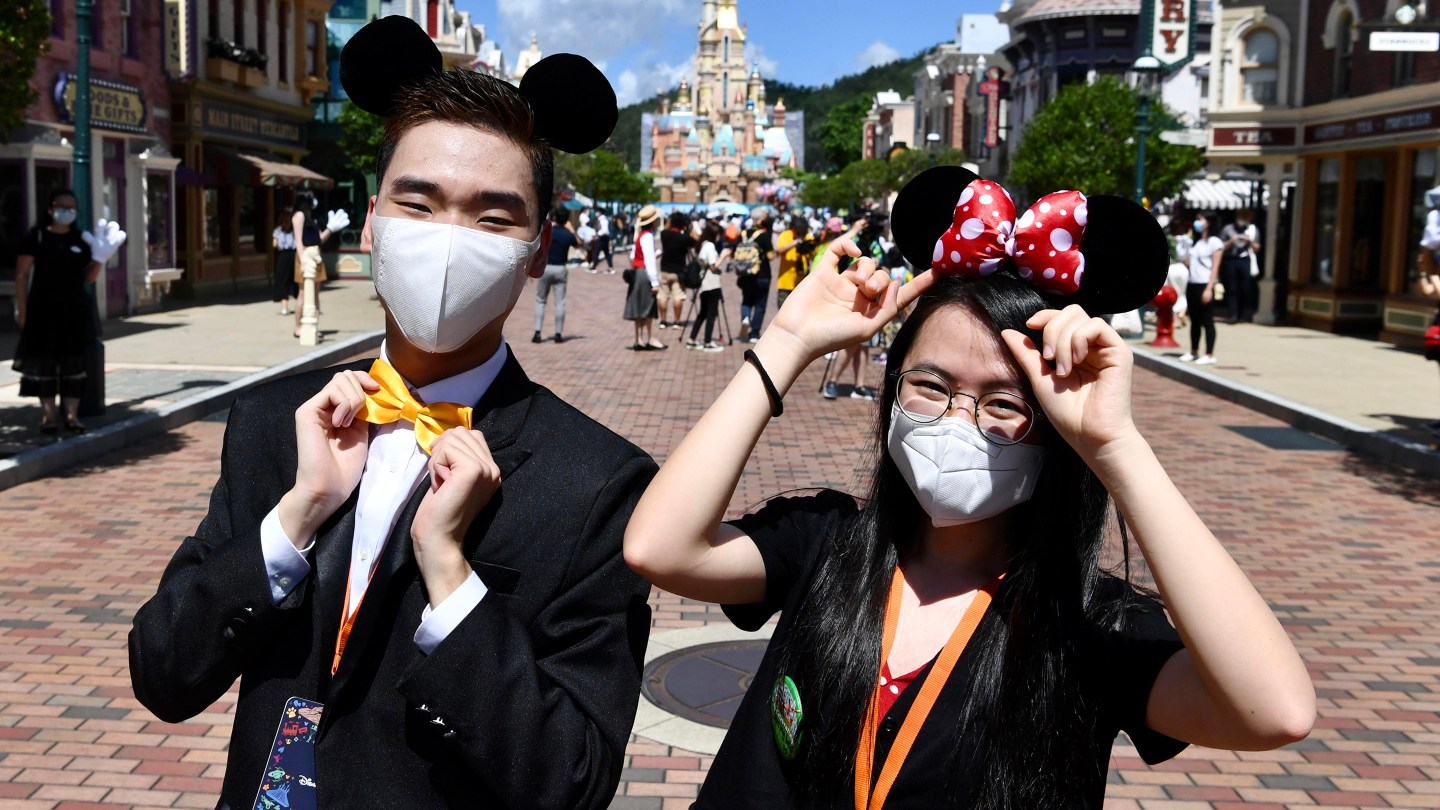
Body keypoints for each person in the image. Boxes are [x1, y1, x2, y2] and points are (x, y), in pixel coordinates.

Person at [624, 167, 1315, 809]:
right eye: (930, 386)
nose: (958, 421)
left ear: (1053, 429)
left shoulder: (1087, 623)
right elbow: (661, 548)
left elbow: (1273, 711)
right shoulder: (826, 545)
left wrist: (1116, 447)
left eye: (1003, 403)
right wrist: (788, 342)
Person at [129, 17, 655, 809]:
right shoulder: (275, 422)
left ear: (538, 249)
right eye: (419, 203)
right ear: (374, 221)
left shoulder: (596, 482)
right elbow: (163, 671)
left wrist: (450, 576)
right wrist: (295, 517)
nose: (449, 241)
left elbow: (572, 782)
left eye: (492, 217)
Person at [12, 189, 126, 435]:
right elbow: (21, 275)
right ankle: (49, 416)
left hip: (74, 311)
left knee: (73, 364)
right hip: (42, 311)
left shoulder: (80, 240)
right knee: (45, 364)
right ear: (50, 208)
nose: (66, 210)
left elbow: (89, 278)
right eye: (61, 205)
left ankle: (72, 416)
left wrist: (101, 258)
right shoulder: (37, 237)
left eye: (71, 207)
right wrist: (22, 309)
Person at [814, 216, 874, 400]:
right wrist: (854, 230)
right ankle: (832, 381)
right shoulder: (826, 247)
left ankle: (859, 385)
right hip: (845, 298)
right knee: (851, 344)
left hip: (866, 297)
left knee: (864, 346)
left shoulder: (870, 243)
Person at [291, 190, 349, 339]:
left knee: (316, 294)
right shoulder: (299, 216)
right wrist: (303, 261)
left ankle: (314, 327)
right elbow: (298, 240)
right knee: (303, 293)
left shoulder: (313, 218)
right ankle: (298, 327)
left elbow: (319, 240)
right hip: (305, 255)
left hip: (316, 255)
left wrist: (330, 229)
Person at [1181, 213, 1223, 365]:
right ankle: (1194, 350)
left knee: (1207, 320)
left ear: (1209, 222)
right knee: (1195, 320)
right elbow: (1187, 262)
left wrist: (1209, 288)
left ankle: (1209, 354)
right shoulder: (1197, 242)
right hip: (1192, 283)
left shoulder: (1215, 242)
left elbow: (1215, 267)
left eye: (1201, 219)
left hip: (1205, 284)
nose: (1198, 222)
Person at [625, 204, 667, 350]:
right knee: (648, 306)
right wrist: (654, 282)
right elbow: (649, 260)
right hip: (644, 273)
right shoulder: (648, 236)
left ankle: (639, 338)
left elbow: (633, 256)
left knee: (638, 305)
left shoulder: (640, 235)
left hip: (637, 272)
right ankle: (651, 338)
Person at [535, 206, 577, 343]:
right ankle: (558, 334)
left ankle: (537, 332)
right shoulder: (568, 234)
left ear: (554, 217)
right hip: (560, 269)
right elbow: (579, 244)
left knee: (540, 300)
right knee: (560, 303)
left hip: (546, 267)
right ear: (567, 219)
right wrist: (572, 229)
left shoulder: (548, 232)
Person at [686, 221, 726, 351]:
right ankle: (707, 342)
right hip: (711, 284)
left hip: (704, 284)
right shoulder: (710, 246)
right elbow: (713, 267)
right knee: (711, 313)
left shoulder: (702, 245)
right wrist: (723, 256)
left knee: (703, 313)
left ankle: (692, 339)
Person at [738, 209, 776, 343]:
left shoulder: (743, 234)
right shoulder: (763, 235)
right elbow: (770, 256)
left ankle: (745, 318)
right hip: (762, 274)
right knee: (760, 304)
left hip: (746, 274)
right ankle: (754, 333)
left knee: (747, 300)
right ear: (760, 219)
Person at [1219, 208, 1261, 324]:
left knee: (1244, 288)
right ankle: (1233, 315)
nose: (1242, 219)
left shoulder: (1252, 230)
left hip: (1245, 260)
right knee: (1231, 288)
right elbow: (1219, 246)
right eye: (1241, 216)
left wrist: (1249, 241)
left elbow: (1257, 248)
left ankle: (1241, 314)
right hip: (1230, 260)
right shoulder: (1228, 229)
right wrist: (1231, 241)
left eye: (1245, 217)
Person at [658, 211, 695, 329]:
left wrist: (670, 221)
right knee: (678, 296)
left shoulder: (664, 234)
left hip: (664, 269)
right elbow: (694, 241)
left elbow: (666, 228)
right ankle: (677, 321)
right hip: (678, 272)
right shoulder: (684, 238)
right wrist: (688, 229)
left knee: (663, 296)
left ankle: (663, 321)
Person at [773, 214, 814, 313]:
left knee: (800, 312)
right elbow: (779, 250)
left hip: (802, 283)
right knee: (783, 311)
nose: (801, 232)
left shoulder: (808, 237)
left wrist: (807, 248)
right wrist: (796, 242)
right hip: (786, 282)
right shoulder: (786, 235)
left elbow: (814, 255)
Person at [272, 206, 299, 316]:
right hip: (294, 255)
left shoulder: (278, 230)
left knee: (283, 281)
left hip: (283, 257)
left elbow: (274, 244)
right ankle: (299, 305)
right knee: (296, 280)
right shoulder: (295, 230)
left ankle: (284, 307)